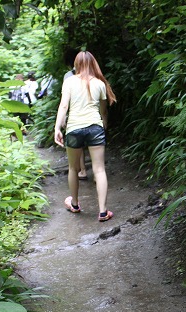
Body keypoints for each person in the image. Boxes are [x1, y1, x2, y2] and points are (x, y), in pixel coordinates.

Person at [54, 51, 117, 222]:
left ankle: (74, 204)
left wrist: (57, 128)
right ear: (93, 64)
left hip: (74, 129)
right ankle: (103, 212)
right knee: (99, 169)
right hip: (95, 128)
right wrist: (103, 125)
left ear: (76, 65)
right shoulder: (99, 83)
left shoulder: (69, 81)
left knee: (73, 168)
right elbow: (103, 110)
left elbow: (64, 106)